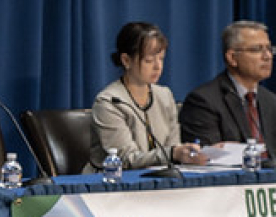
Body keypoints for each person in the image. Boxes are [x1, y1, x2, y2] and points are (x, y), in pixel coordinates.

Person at [87, 22, 205, 171]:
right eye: (149, 60)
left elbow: (173, 148)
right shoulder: (108, 102)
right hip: (112, 183)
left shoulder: (165, 95)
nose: (158, 66)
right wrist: (173, 153)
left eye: (161, 59)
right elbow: (125, 159)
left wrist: (186, 153)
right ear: (126, 60)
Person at [179, 20, 276, 157]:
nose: (267, 56)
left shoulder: (271, 101)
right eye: (257, 49)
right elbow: (206, 159)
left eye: (269, 49)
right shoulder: (203, 101)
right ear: (232, 58)